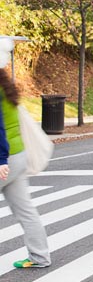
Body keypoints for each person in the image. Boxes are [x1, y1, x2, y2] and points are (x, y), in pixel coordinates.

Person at [0, 68, 51, 269]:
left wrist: (1, 159)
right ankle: (40, 256)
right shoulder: (7, 88)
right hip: (18, 156)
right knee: (26, 211)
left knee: (25, 210)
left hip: (4, 159)